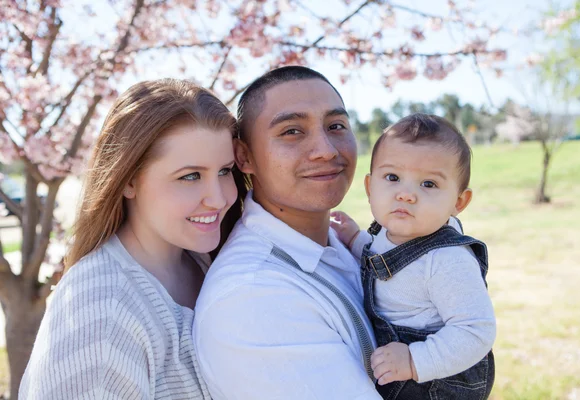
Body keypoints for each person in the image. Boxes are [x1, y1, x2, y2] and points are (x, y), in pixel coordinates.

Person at [19, 78, 246, 399]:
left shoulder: (206, 261)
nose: (219, 198)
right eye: (190, 176)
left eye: (224, 171)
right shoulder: (102, 316)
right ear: (128, 181)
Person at [193, 66, 382, 399]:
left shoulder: (343, 243)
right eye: (292, 131)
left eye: (336, 126)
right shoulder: (252, 299)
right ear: (244, 156)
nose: (326, 149)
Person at [331, 113, 496, 400]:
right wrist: (355, 239)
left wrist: (414, 360)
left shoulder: (446, 260)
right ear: (370, 188)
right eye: (392, 177)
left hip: (436, 383)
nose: (406, 194)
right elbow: (381, 262)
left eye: (428, 184)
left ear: (459, 202)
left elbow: (476, 330)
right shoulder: (387, 231)